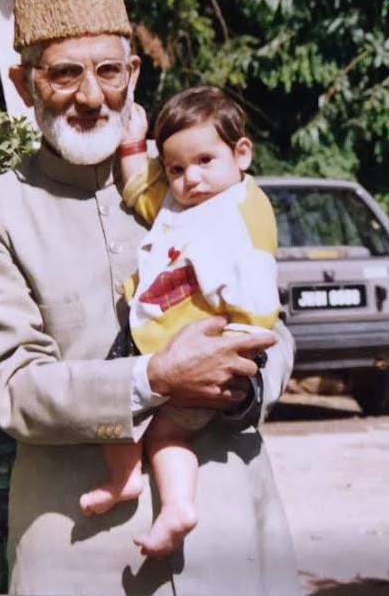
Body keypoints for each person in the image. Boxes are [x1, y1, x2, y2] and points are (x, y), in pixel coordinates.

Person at [0, 0, 301, 595]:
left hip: (230, 539)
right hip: (83, 555)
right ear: (24, 84)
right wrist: (154, 377)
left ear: (133, 73)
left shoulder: (192, 173)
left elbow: (273, 325)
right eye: (64, 74)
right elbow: (14, 387)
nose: (91, 96)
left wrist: (246, 387)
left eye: (109, 70)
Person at [79, 86, 281, 561]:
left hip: (208, 360)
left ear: (242, 154)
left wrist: (234, 356)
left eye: (205, 161)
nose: (191, 178)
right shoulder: (182, 204)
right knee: (115, 409)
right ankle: (126, 479)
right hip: (150, 346)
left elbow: (258, 300)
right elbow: (142, 191)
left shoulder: (245, 212)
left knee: (167, 434)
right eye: (175, 169)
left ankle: (176, 506)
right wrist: (134, 143)